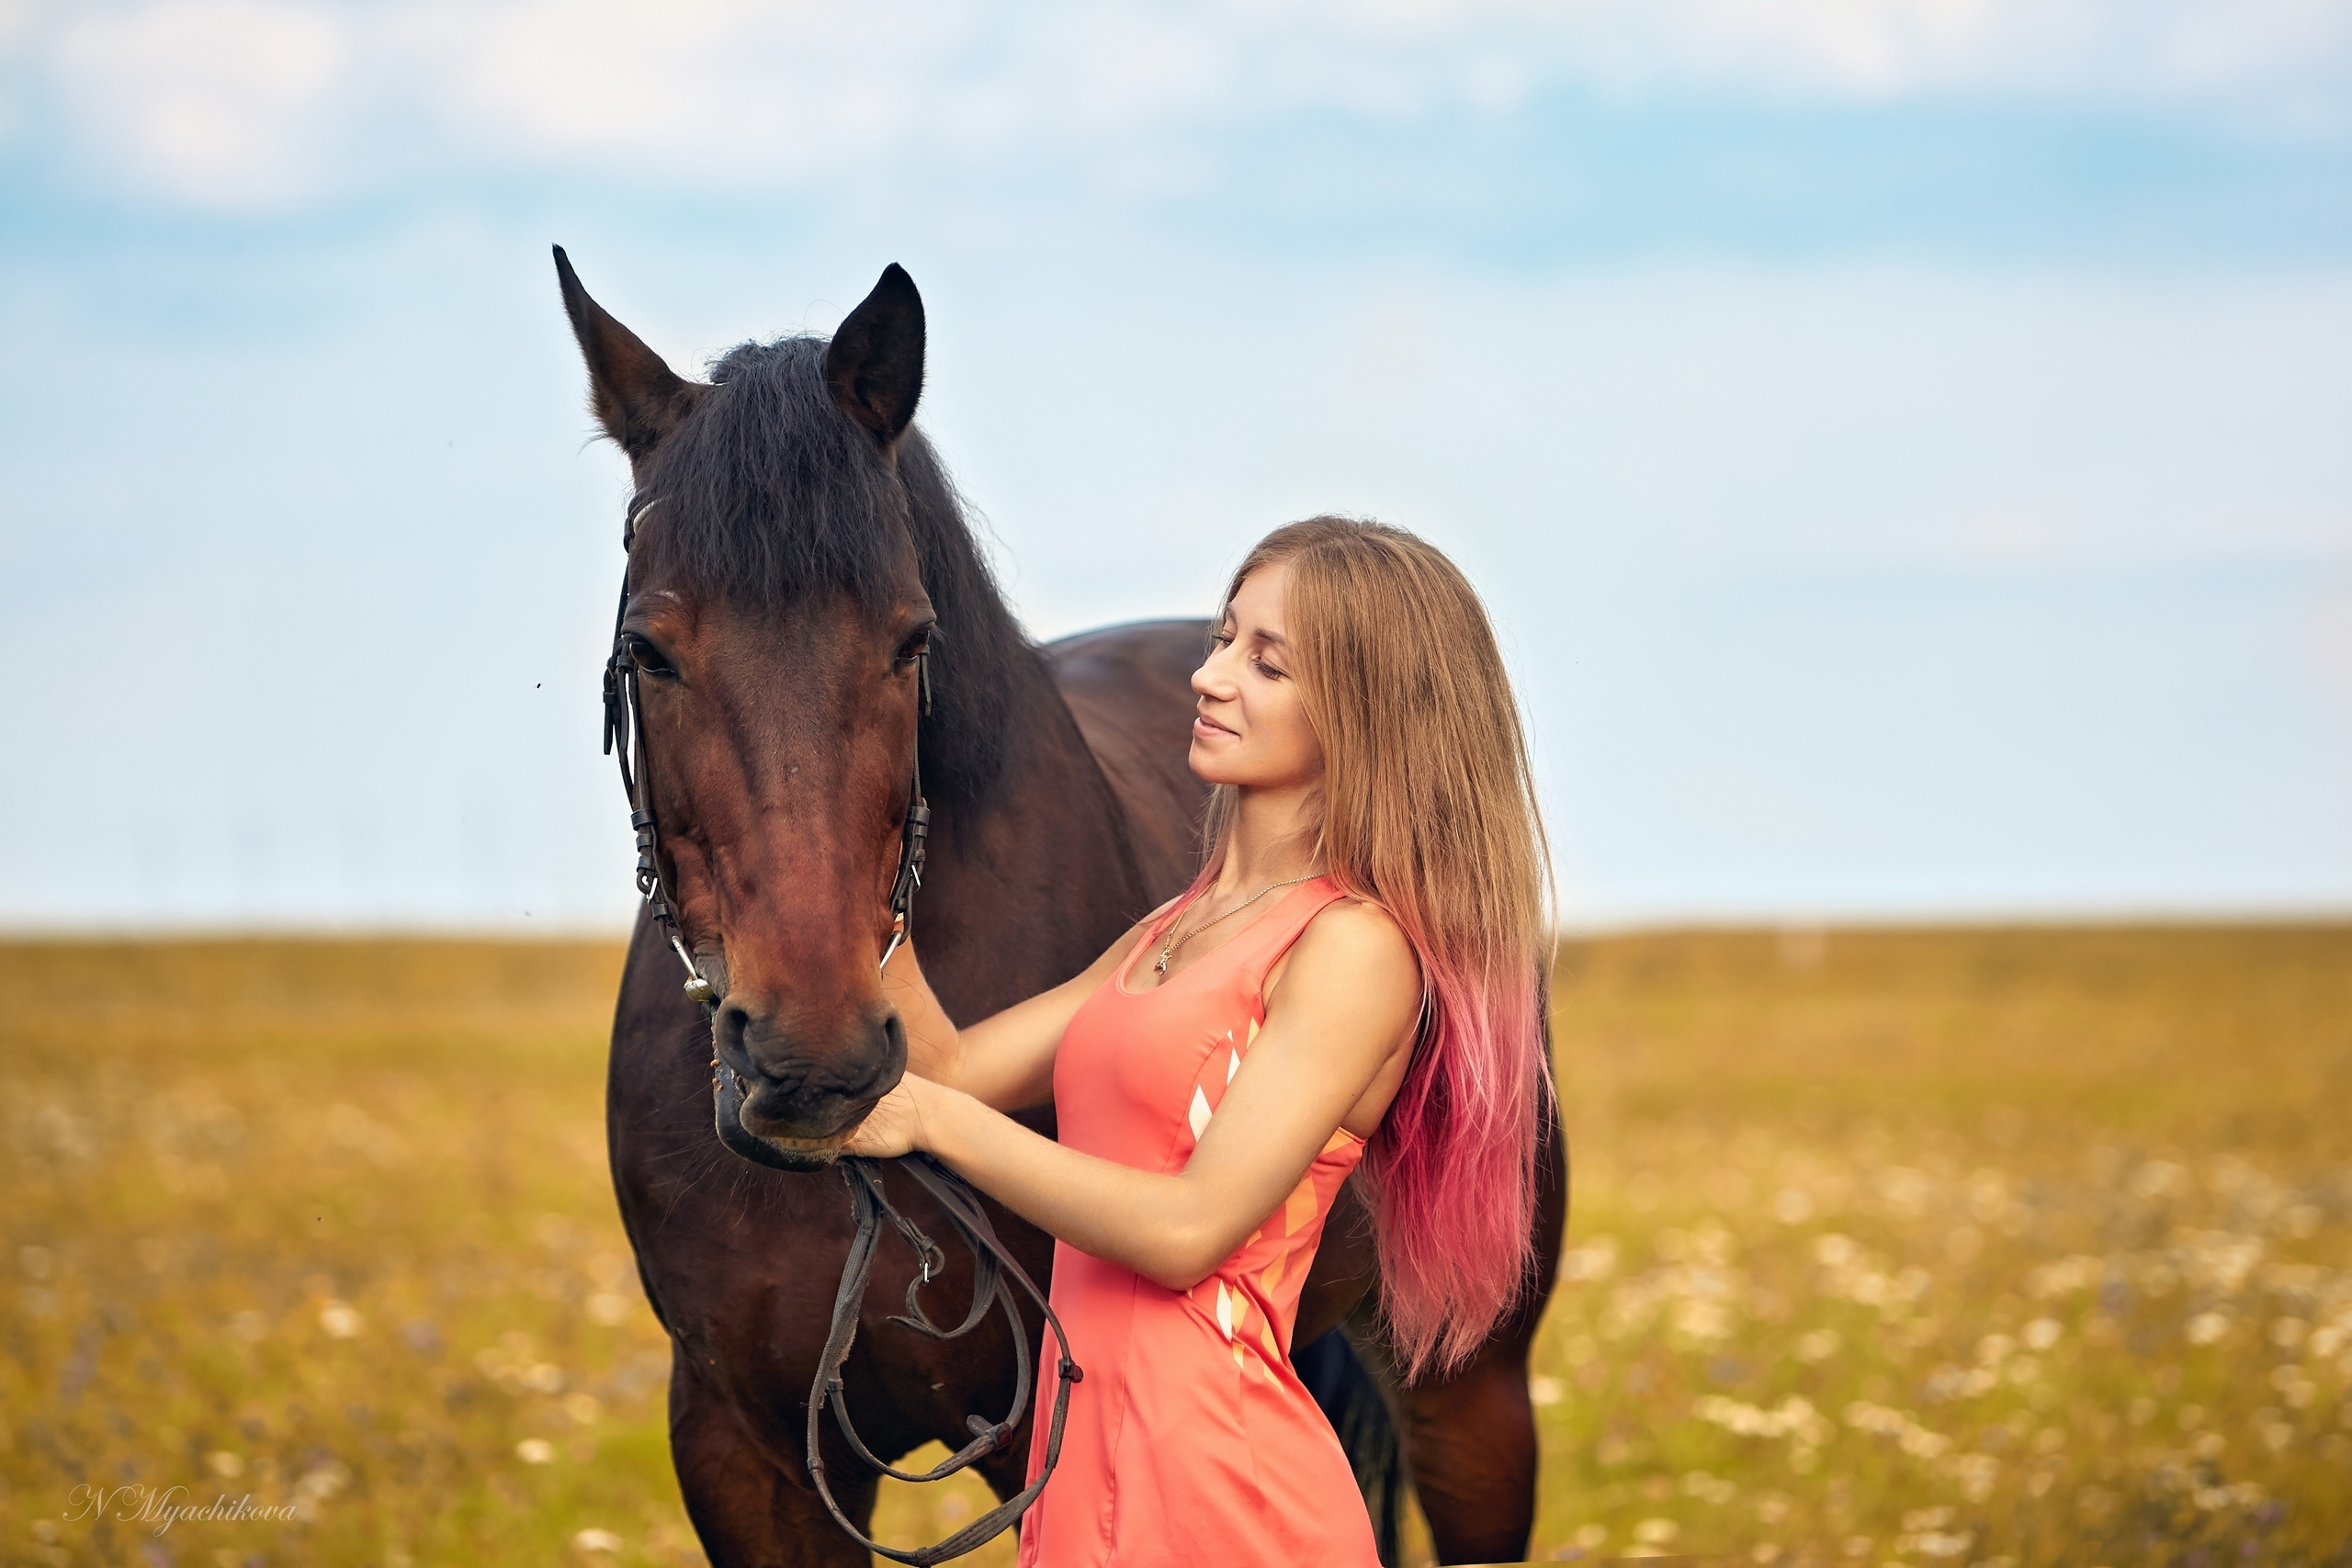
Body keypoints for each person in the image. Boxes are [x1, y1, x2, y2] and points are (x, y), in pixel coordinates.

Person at [846, 515, 1554, 1567]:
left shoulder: (1351, 948)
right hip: (1088, 1473)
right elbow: (947, 1067)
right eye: (1223, 640)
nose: (1209, 678)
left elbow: (1188, 1232)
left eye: (1265, 662)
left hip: (1223, 1493)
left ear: (1363, 711)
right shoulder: (1169, 931)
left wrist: (934, 1122)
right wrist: (861, 853)